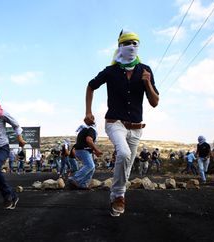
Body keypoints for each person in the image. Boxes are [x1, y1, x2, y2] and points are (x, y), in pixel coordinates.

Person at [84, 29, 159, 217]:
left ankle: (116, 196)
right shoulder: (111, 71)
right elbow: (91, 85)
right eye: (127, 43)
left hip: (136, 127)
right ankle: (118, 196)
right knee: (124, 153)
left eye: (135, 43)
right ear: (120, 46)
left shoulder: (145, 70)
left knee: (126, 165)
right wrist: (88, 111)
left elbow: (154, 102)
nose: (132, 47)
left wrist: (148, 83)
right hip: (114, 122)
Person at [68, 124, 102, 189]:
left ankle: (83, 184)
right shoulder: (91, 129)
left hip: (82, 150)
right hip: (83, 150)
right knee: (90, 165)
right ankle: (75, 178)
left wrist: (95, 152)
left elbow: (87, 145)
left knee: (92, 167)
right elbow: (89, 140)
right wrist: (97, 150)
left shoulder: (84, 131)